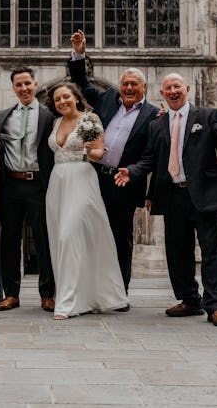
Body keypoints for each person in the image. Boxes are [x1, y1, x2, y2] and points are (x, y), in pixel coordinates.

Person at [114, 73, 217, 327]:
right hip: (172, 194)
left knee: (210, 251)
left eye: (177, 87)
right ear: (162, 94)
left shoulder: (207, 116)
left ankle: (216, 305)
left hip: (203, 194)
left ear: (186, 89)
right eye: (167, 88)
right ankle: (189, 299)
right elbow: (150, 159)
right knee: (177, 251)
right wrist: (131, 171)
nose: (173, 91)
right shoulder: (157, 125)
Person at [68, 30, 158, 292]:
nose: (129, 88)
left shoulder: (154, 115)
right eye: (125, 83)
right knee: (90, 232)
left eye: (134, 84)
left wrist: (132, 172)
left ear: (144, 88)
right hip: (95, 178)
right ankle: (91, 286)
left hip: (123, 183)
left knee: (121, 237)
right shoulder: (107, 98)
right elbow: (82, 84)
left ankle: (119, 289)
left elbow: (151, 155)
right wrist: (79, 53)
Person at [44, 82, 129, 319]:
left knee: (68, 235)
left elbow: (99, 153)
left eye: (66, 97)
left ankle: (68, 303)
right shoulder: (56, 122)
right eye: (57, 99)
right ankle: (81, 296)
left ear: (76, 98)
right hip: (58, 181)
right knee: (59, 238)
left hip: (81, 178)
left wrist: (91, 150)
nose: (62, 102)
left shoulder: (90, 119)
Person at [0, 66, 56, 312]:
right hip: (10, 184)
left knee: (43, 239)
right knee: (9, 239)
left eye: (27, 83)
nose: (24, 88)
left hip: (38, 184)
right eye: (19, 85)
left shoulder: (49, 117)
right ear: (13, 88)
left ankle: (47, 293)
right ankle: (11, 293)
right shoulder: (2, 116)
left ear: (35, 84)